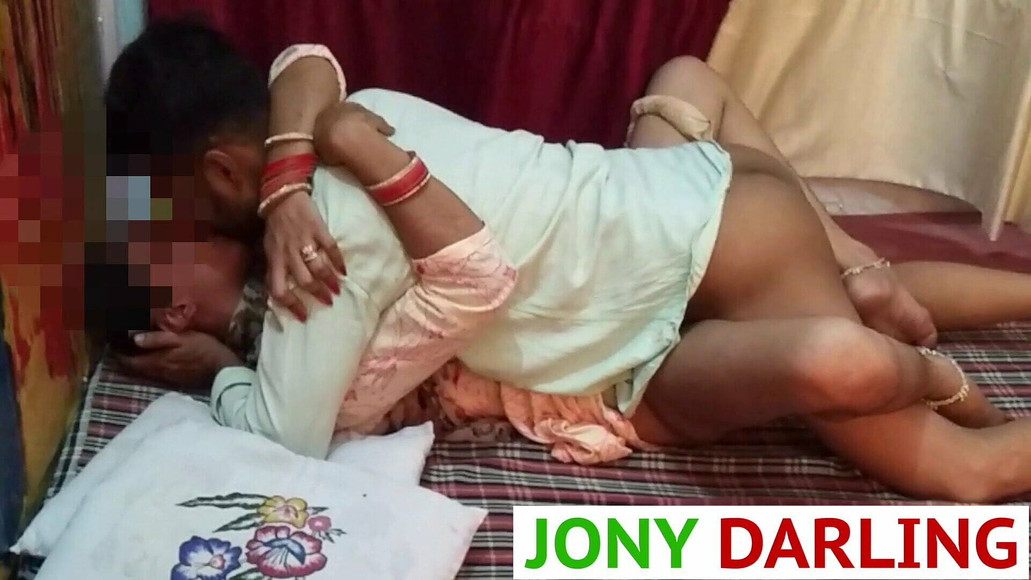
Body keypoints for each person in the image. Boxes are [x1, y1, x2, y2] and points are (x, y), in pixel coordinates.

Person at [105, 20, 1031, 502]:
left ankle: (921, 363)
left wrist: (220, 369)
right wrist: (283, 184)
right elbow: (303, 64)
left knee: (964, 475)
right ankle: (882, 289)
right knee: (837, 294)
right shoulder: (348, 107)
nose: (174, 229)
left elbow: (286, 443)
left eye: (169, 209)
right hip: (700, 190)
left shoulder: (315, 252)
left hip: (713, 259)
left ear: (218, 170)